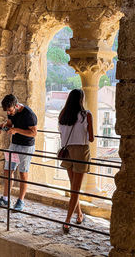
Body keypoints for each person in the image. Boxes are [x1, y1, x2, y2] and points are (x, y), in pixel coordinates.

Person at [58, 89, 94, 234]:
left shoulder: (62, 115)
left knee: (73, 186)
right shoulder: (86, 115)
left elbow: (61, 134)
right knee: (75, 189)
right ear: (81, 100)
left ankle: (79, 215)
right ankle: (67, 222)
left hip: (67, 151)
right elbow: (91, 138)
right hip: (80, 152)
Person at [0, 94, 37, 211]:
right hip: (14, 145)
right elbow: (9, 124)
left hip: (26, 147)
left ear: (16, 106)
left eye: (10, 110)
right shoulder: (10, 112)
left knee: (23, 173)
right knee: (8, 170)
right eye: (7, 111)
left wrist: (16, 130)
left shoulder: (29, 114)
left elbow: (33, 133)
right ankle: (5, 199)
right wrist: (2, 126)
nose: (8, 113)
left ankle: (20, 201)